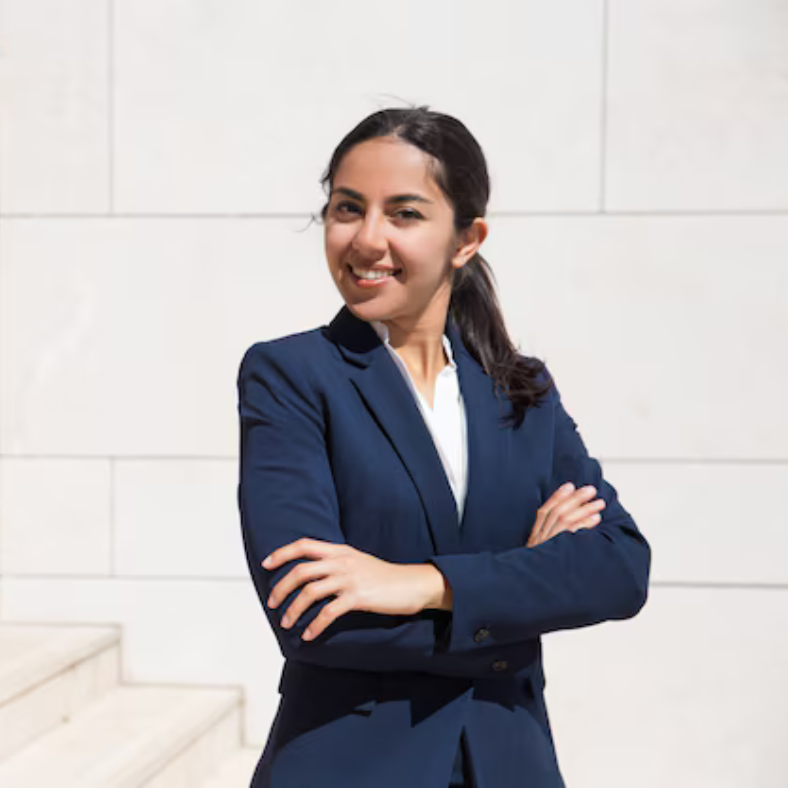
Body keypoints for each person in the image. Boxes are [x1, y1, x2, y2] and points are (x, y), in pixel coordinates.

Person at [236, 105, 651, 788]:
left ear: (466, 239)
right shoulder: (291, 376)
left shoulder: (522, 391)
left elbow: (620, 569)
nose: (367, 239)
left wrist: (421, 585)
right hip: (350, 768)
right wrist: (525, 585)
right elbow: (311, 615)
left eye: (404, 213)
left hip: (510, 763)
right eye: (347, 209)